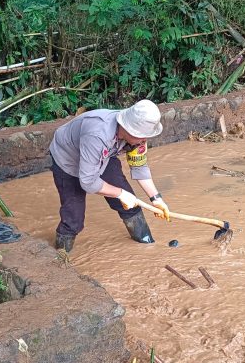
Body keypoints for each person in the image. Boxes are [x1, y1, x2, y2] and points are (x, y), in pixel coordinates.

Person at [49, 99, 172, 253]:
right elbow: (88, 182)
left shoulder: (138, 138)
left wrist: (156, 198)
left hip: (105, 154)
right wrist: (120, 193)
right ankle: (61, 257)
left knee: (130, 204)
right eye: (142, 137)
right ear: (129, 130)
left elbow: (139, 166)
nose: (144, 141)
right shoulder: (98, 134)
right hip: (68, 157)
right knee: (73, 217)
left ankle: (147, 243)